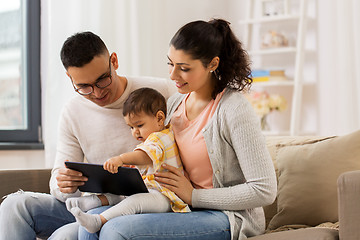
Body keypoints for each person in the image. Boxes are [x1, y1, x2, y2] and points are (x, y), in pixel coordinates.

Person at [79, 19, 277, 240]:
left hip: (226, 216)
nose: (173, 75)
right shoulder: (174, 104)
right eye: (170, 64)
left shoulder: (234, 109)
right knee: (94, 218)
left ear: (212, 64)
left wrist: (195, 196)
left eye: (184, 68)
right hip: (180, 205)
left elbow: (264, 189)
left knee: (116, 230)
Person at [0, 32, 176, 240]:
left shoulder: (161, 91)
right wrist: (64, 184)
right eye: (84, 86)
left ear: (114, 61)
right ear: (70, 78)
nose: (97, 93)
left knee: (63, 236)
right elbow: (58, 184)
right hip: (93, 203)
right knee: (14, 205)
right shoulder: (72, 112)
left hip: (139, 205)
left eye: (102, 79)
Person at [66, 87, 190, 234]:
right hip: (151, 190)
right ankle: (89, 202)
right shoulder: (157, 137)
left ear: (159, 118)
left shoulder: (160, 137)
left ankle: (99, 220)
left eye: (139, 125)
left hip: (167, 197)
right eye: (131, 127)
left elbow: (144, 156)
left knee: (135, 202)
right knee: (120, 193)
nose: (135, 132)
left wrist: (121, 159)